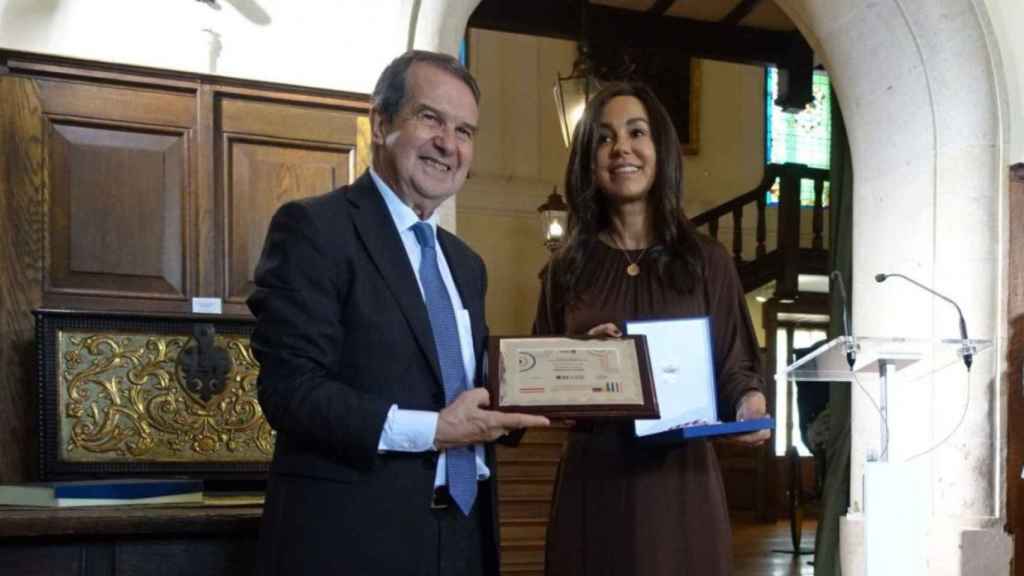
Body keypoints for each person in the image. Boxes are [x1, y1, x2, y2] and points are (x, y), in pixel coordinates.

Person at [248, 50, 549, 576]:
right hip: (354, 542)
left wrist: (572, 372)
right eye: (429, 118)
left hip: (464, 537)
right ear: (381, 122)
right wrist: (433, 430)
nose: (448, 145)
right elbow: (290, 391)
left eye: (465, 131)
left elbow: (472, 392)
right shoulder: (315, 230)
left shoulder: (465, 264)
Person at [533, 81, 770, 576]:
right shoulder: (565, 269)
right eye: (603, 138)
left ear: (660, 148)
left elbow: (738, 368)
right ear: (587, 161)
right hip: (594, 483)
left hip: (680, 485)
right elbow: (539, 387)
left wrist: (750, 404)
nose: (621, 148)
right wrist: (581, 361)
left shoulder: (708, 261)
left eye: (636, 132)